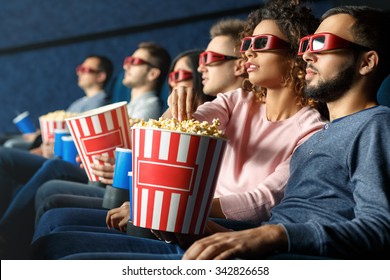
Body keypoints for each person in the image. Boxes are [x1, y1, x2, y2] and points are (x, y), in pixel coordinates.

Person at [30, 1, 333, 260]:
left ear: (297, 55)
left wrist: (170, 209)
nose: (248, 54)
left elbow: (262, 201)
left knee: (55, 239)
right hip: (175, 217)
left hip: (211, 235)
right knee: (54, 222)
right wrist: (177, 108)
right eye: (246, 45)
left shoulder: (312, 129)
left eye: (261, 44)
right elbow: (175, 131)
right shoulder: (236, 100)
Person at [32, 18, 248, 235]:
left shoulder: (221, 112)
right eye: (172, 76)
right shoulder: (215, 108)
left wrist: (132, 179)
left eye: (208, 59)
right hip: (154, 199)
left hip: (179, 211)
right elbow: (159, 151)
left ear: (241, 65)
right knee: (52, 203)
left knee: (53, 201)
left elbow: (166, 168)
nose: (173, 81)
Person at [0, 43, 171, 259]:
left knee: (46, 169)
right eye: (127, 60)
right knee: (14, 153)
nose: (126, 64)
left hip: (110, 179)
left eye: (135, 62)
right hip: (98, 169)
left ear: (154, 73)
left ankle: (6, 236)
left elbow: (136, 153)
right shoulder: (126, 105)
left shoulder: (150, 107)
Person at [2, 55, 114, 151]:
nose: (79, 73)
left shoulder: (99, 104)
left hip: (57, 148)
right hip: (47, 142)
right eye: (80, 68)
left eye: (85, 70)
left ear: (100, 76)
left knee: (9, 146)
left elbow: (76, 136)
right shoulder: (80, 102)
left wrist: (39, 138)